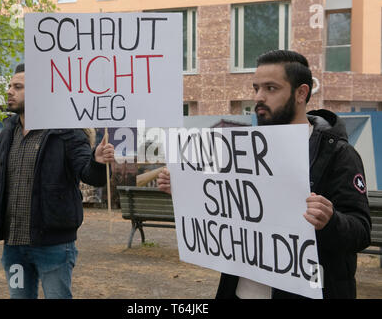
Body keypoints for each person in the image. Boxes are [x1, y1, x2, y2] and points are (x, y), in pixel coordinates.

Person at [157, 50, 371, 299]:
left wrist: (330, 220)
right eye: (256, 88)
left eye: (271, 88)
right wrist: (185, 186)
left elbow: (361, 231)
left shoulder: (338, 154)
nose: (259, 97)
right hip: (240, 291)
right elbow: (228, 204)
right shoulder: (243, 148)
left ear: (301, 93)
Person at [0, 64, 115, 299]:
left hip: (54, 247)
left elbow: (89, 175)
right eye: (10, 86)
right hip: (14, 247)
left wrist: (99, 162)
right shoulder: (9, 130)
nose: (9, 91)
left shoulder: (66, 131)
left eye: (17, 87)